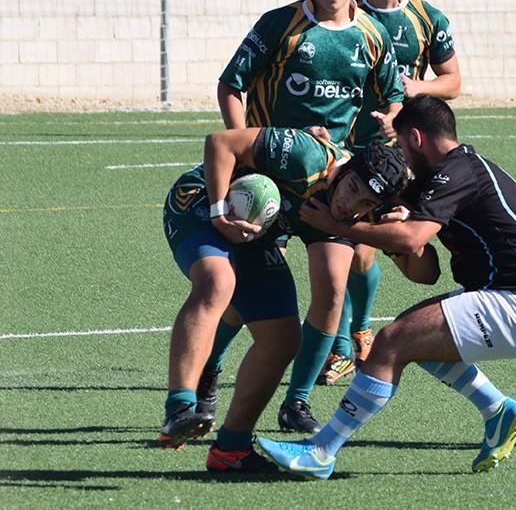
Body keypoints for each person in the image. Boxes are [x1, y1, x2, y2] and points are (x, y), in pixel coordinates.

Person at [257, 94, 516, 479]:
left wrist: (337, 227)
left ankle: (321, 451)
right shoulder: (452, 172)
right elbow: (421, 264)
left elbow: (409, 239)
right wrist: (329, 151)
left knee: (391, 340)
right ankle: (498, 410)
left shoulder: (456, 172)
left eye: (402, 145)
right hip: (512, 298)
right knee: (415, 337)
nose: (401, 155)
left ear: (416, 138)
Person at [200, 0, 404, 434]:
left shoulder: (372, 35)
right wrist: (243, 145)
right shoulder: (281, 25)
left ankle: (298, 399)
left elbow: (395, 97)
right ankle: (207, 371)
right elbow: (232, 84)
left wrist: (390, 119)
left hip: (334, 183)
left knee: (333, 286)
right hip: (272, 178)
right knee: (249, 295)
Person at [159, 125, 408, 473]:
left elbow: (422, 270)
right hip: (202, 201)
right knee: (218, 281)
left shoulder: (370, 210)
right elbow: (219, 141)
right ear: (346, 168)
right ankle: (181, 408)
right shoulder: (307, 156)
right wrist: (219, 211)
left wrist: (404, 226)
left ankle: (231, 450)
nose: (349, 204)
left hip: (257, 235)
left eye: (365, 202)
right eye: (352, 188)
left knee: (283, 340)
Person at [321, 0, 462, 386]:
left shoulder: (427, 18)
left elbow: (454, 82)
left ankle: (358, 331)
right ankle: (346, 342)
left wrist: (415, 87)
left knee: (374, 244)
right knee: (347, 246)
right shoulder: (347, 14)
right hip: (346, 145)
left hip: (400, 156)